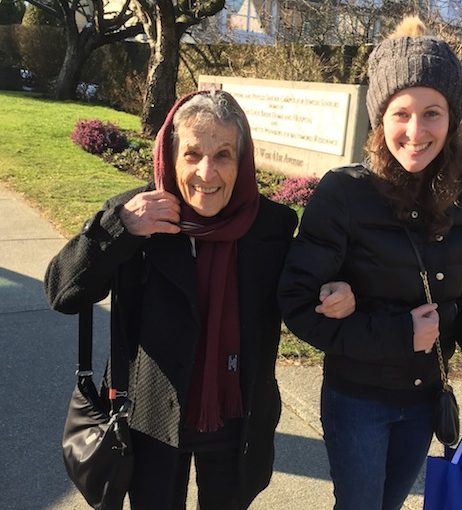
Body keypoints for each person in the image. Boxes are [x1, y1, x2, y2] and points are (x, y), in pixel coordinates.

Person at [45, 90, 355, 509]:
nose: (206, 172)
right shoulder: (139, 215)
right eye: (192, 154)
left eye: (223, 154)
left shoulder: (271, 226)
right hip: (151, 419)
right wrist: (118, 229)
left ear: (242, 161)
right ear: (172, 157)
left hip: (238, 419)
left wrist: (339, 292)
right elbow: (62, 291)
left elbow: (301, 294)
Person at [277, 16, 462, 510]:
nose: (416, 130)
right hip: (358, 400)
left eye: (432, 113)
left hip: (425, 398)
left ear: (452, 118)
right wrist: (399, 333)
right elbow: (295, 302)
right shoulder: (345, 193)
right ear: (380, 118)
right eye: (401, 113)